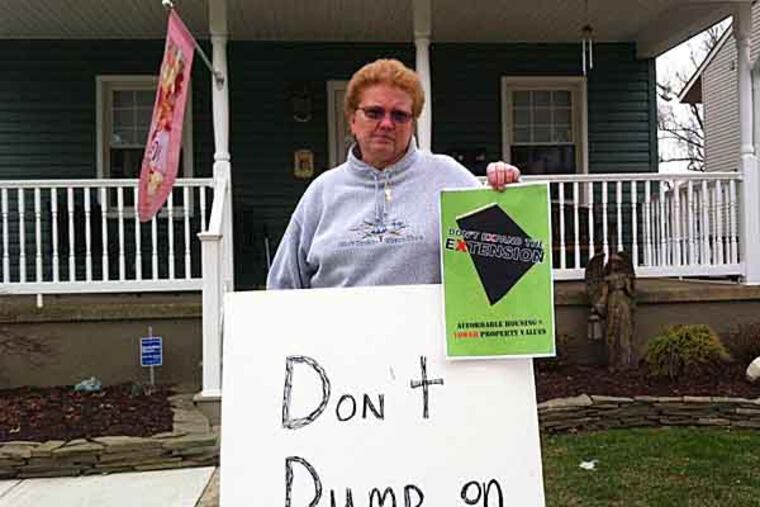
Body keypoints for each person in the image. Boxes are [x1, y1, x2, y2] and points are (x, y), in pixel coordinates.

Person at [267, 58, 520, 289]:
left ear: (412, 124)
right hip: (339, 338)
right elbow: (282, 287)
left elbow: (508, 262)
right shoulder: (321, 193)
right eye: (374, 112)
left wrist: (507, 197)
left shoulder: (449, 178)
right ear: (352, 120)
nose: (386, 124)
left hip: (427, 337)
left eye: (399, 115)